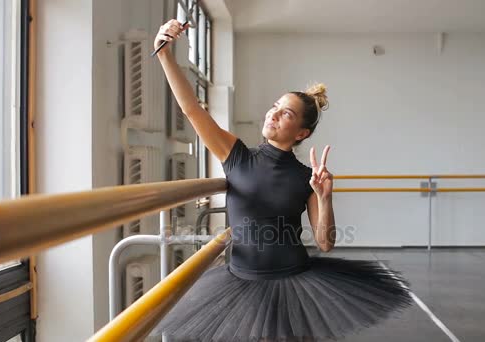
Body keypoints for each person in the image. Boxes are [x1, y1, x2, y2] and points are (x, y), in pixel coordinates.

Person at [152, 19, 411, 342]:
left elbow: (325, 243)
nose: (273, 114)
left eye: (286, 113)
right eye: (275, 107)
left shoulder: (306, 177)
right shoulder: (236, 155)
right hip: (240, 281)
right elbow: (192, 110)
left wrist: (325, 195)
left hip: (293, 281)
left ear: (302, 133)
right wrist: (164, 53)